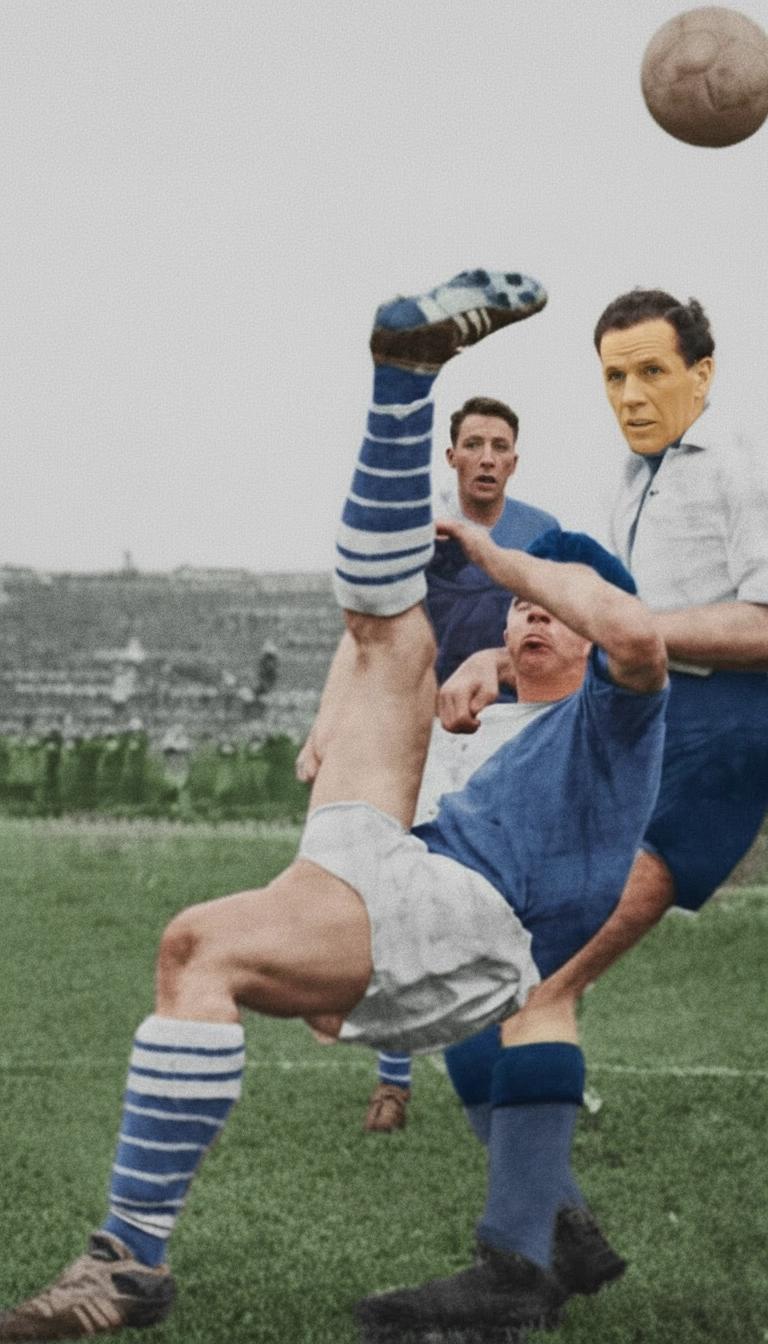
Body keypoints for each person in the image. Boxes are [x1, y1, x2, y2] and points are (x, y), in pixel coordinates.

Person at [0, 269, 668, 1344]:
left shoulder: (618, 717)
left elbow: (636, 636)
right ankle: (404, 376)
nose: (534, 618)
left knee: (198, 946)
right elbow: (387, 658)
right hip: (414, 865)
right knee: (387, 628)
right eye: (521, 611)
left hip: (482, 919)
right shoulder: (484, 706)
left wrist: (508, 558)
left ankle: (128, 1264)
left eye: (556, 609)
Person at [438, 288, 768, 1187]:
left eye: (652, 371)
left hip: (717, 739)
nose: (631, 394)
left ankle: (533, 1225)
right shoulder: (631, 478)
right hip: (639, 727)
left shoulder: (742, 464)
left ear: (702, 373)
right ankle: (543, 1200)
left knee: (537, 981)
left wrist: (635, 631)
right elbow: (595, 627)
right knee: (512, 960)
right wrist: (497, 661)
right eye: (615, 376)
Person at [300, 394, 559, 1132]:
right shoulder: (419, 535)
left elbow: (571, 629)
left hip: (512, 733)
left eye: (499, 446)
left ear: (515, 459)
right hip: (417, 737)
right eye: (472, 444)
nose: (486, 457)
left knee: (516, 904)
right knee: (395, 896)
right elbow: (363, 635)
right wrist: (325, 728)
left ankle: (538, 1062)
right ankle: (393, 1082)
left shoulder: (542, 534)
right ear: (450, 457)